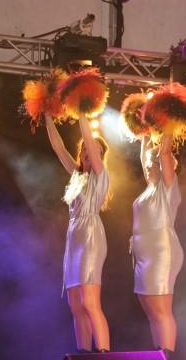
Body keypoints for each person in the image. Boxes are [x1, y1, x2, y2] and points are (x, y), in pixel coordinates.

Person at [45, 113, 110, 353]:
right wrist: (46, 114)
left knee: (90, 302)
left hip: (91, 235)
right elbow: (58, 147)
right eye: (84, 149)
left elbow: (90, 141)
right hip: (74, 237)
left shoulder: (101, 177)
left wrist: (81, 110)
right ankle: (84, 353)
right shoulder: (77, 176)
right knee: (76, 305)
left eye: (94, 151)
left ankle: (103, 354)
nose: (88, 153)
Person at [130, 135, 182, 359]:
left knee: (161, 310)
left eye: (154, 163)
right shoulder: (149, 187)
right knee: (152, 312)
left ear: (164, 166)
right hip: (144, 255)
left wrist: (167, 125)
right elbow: (145, 155)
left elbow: (165, 152)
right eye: (148, 163)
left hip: (161, 253)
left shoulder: (167, 187)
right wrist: (144, 131)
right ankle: (158, 354)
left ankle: (168, 355)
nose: (149, 166)